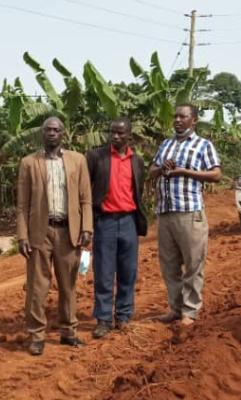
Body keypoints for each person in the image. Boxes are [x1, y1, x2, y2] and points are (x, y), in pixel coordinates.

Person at [16, 117, 93, 356]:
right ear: (42, 133)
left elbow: (85, 198)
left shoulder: (77, 161)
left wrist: (87, 228)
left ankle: (68, 332)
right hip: (40, 231)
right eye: (48, 129)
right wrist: (22, 236)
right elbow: (21, 205)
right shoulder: (29, 163)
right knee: (37, 287)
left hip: (68, 231)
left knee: (68, 285)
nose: (52, 133)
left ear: (63, 134)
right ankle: (37, 335)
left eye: (56, 129)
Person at [149, 103, 222, 327]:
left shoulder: (203, 145)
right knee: (169, 265)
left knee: (193, 264)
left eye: (183, 116)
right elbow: (151, 172)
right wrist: (162, 168)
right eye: (176, 116)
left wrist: (184, 172)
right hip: (166, 212)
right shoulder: (166, 144)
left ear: (194, 121)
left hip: (190, 212)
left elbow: (216, 174)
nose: (178, 120)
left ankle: (190, 311)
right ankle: (175, 307)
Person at [85, 118, 148, 339]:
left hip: (129, 221)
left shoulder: (137, 161)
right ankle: (103, 319)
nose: (116, 136)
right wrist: (88, 223)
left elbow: (138, 191)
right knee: (103, 272)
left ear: (129, 135)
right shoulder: (96, 157)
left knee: (128, 272)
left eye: (121, 133)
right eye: (112, 132)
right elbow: (86, 190)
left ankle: (123, 316)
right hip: (105, 222)